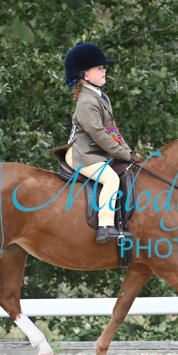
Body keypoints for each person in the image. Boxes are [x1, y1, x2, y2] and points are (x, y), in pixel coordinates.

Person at [63, 42, 137, 243]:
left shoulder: (101, 97)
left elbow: (112, 131)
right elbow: (99, 135)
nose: (104, 71)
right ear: (84, 75)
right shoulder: (87, 102)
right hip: (82, 154)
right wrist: (123, 154)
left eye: (103, 67)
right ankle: (105, 227)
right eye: (99, 68)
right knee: (111, 179)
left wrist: (128, 151)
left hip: (94, 152)